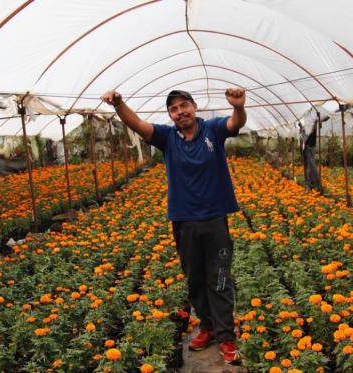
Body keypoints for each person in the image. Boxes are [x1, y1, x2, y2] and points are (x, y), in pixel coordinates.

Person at [101, 87, 246, 365]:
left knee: (220, 278)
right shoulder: (168, 138)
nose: (180, 112)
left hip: (215, 219)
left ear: (194, 106)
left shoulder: (212, 130)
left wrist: (238, 107)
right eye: (174, 109)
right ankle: (207, 327)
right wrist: (119, 104)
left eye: (183, 106)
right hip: (184, 221)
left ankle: (226, 337)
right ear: (170, 115)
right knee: (195, 279)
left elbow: (235, 123)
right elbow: (138, 124)